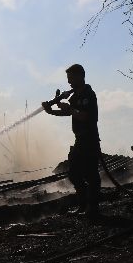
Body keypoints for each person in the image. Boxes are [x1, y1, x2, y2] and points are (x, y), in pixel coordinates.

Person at [42, 64, 101, 218]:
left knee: (91, 175)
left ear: (80, 76)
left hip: (90, 140)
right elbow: (69, 113)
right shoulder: (74, 96)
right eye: (68, 78)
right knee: (74, 173)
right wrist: (51, 111)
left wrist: (69, 109)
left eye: (71, 78)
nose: (69, 82)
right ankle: (82, 206)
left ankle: (93, 208)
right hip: (79, 140)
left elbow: (85, 116)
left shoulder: (89, 94)